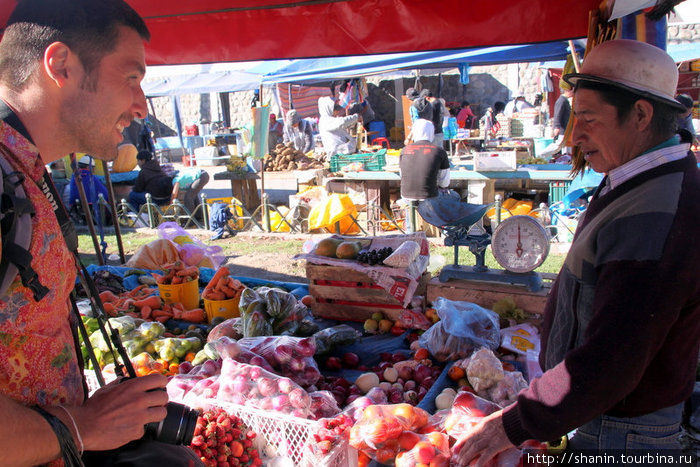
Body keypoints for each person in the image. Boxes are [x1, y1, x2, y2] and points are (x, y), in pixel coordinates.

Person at [452, 39, 700, 466]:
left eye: (587, 118)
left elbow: (613, 359)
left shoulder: (657, 211)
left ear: (640, 115)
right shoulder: (638, 178)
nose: (575, 134)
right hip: (602, 417)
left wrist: (508, 425)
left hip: (622, 436)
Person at [0, 1, 202, 465]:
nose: (141, 106)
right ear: (61, 65)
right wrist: (82, 427)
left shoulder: (24, 170)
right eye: (131, 78)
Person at [399, 119, 450, 233]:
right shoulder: (439, 151)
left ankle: (410, 231)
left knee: (411, 202)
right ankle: (444, 232)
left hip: (406, 196)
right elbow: (444, 182)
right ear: (431, 132)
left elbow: (402, 175)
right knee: (454, 196)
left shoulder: (404, 150)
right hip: (429, 197)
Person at [540, 84, 574, 159]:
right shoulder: (561, 101)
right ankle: (542, 155)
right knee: (558, 145)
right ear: (567, 90)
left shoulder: (565, 101)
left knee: (566, 147)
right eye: (572, 90)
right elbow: (558, 114)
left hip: (566, 130)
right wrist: (556, 126)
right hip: (563, 130)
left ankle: (567, 160)